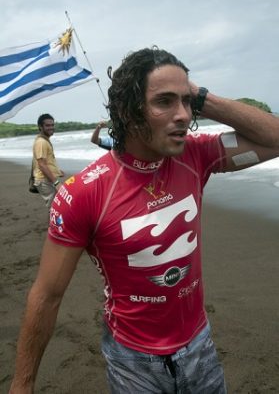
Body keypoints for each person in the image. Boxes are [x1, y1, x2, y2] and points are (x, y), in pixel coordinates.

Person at [10, 47, 279, 394]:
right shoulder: (83, 194)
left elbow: (274, 137)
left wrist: (202, 97)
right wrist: (22, 384)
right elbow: (46, 295)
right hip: (133, 362)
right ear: (128, 110)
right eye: (164, 101)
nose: (182, 114)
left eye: (186, 102)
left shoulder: (196, 155)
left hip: (200, 345)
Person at [32, 113, 64, 209]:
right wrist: (56, 182)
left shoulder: (44, 140)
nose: (51, 127)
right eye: (47, 125)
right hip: (45, 180)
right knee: (55, 208)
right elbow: (42, 165)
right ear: (40, 127)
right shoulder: (41, 142)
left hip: (48, 179)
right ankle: (53, 224)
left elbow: (46, 162)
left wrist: (57, 171)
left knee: (57, 207)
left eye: (52, 125)